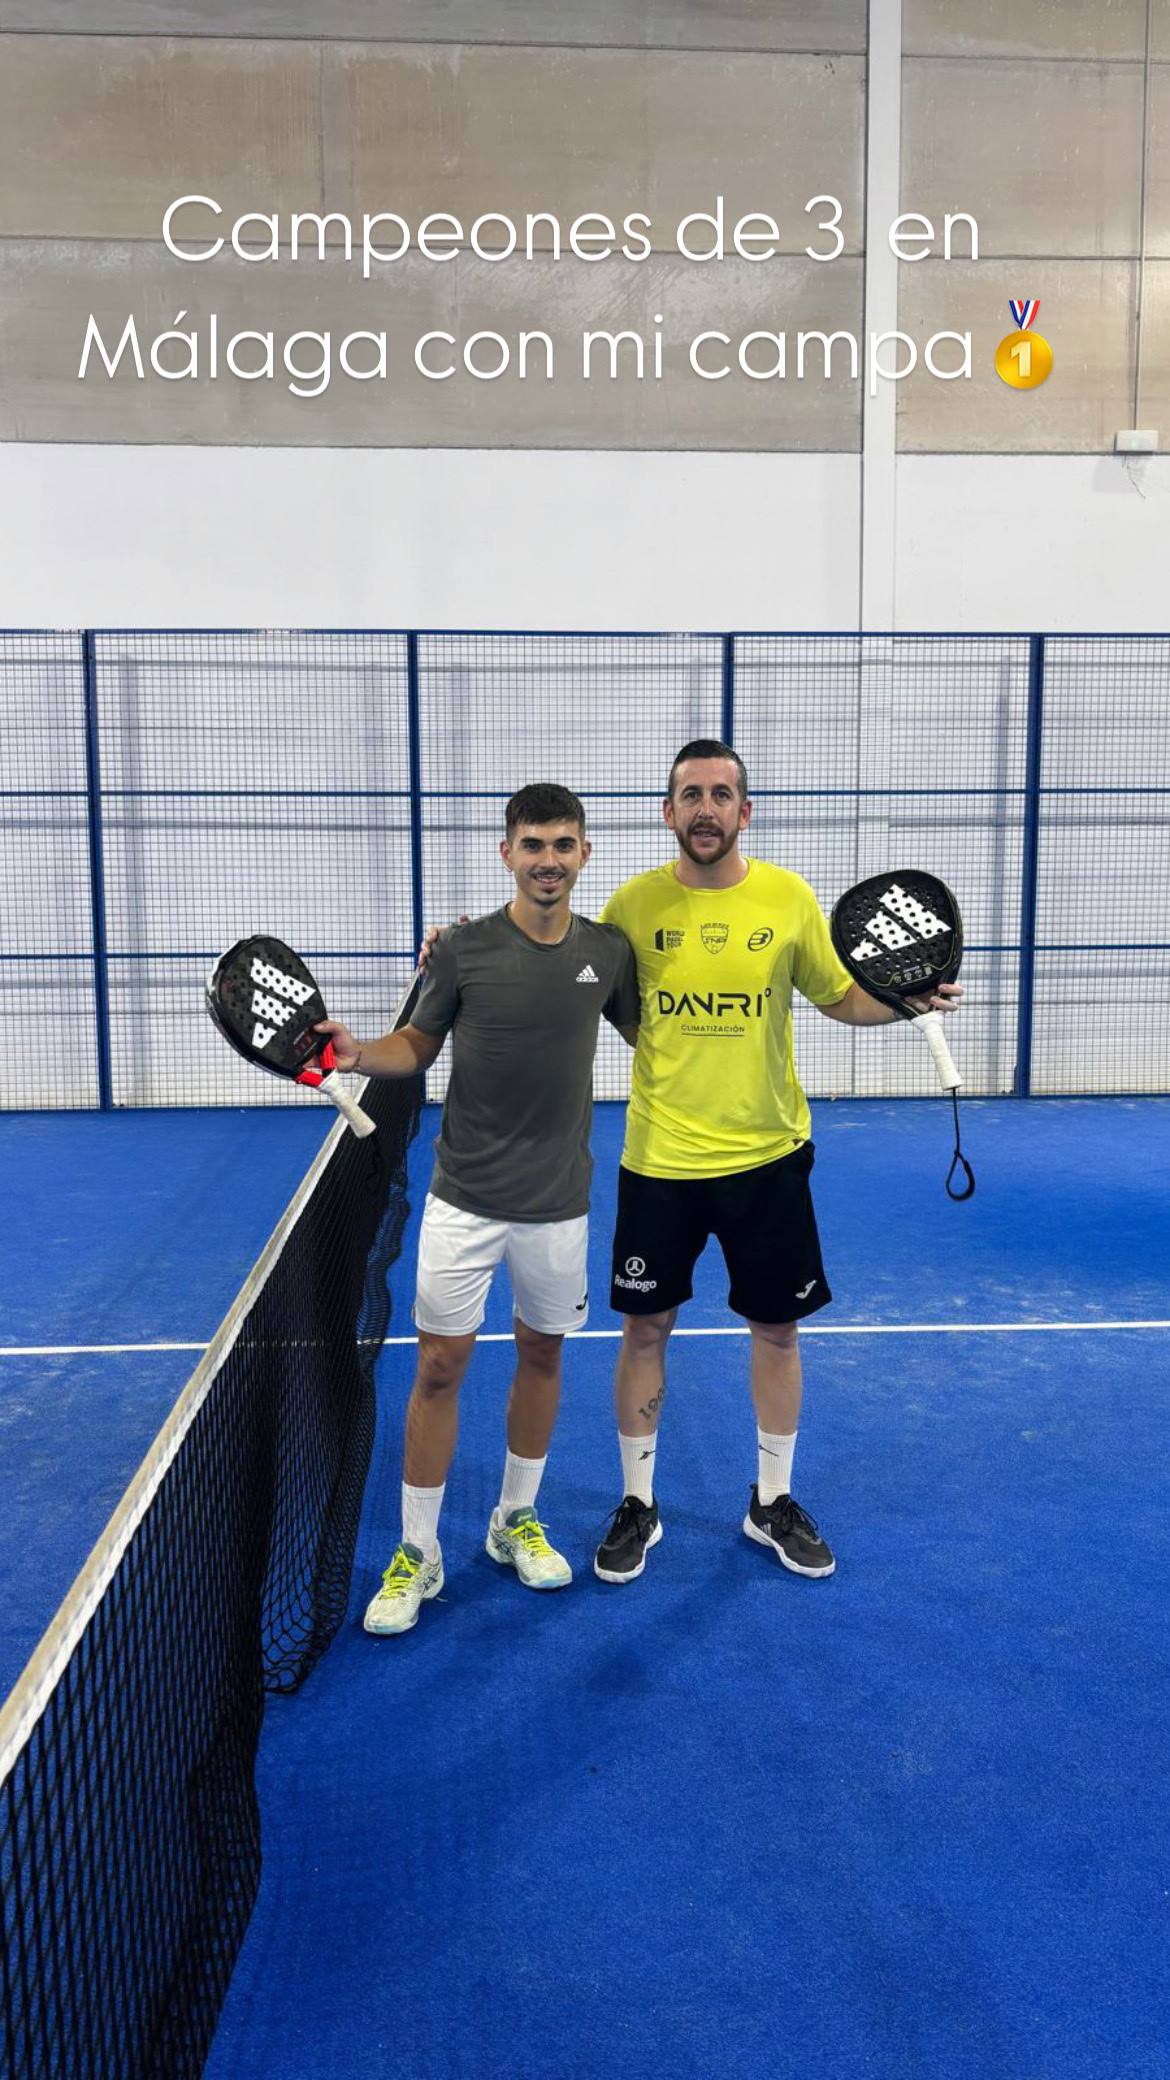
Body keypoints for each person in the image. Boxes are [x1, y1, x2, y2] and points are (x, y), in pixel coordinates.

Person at [592, 739, 962, 1586]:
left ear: (745, 811)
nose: (706, 809)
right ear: (668, 812)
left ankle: (772, 1501)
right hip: (660, 1160)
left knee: (777, 1330)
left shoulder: (788, 897)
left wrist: (903, 1004)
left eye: (721, 795)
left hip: (768, 1159)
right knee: (644, 1329)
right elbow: (611, 1004)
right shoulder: (630, 906)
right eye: (691, 795)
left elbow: (840, 999)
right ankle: (638, 1503)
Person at [319, 783, 640, 1635]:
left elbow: (659, 1033)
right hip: (463, 1200)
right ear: (507, 853)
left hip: (558, 1204)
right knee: (438, 1367)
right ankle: (417, 1549)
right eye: (533, 844)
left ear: (585, 854)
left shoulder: (608, 952)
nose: (548, 860)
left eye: (563, 844)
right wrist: (358, 1053)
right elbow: (417, 1045)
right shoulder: (462, 949)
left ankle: (513, 1519)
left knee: (542, 1354)